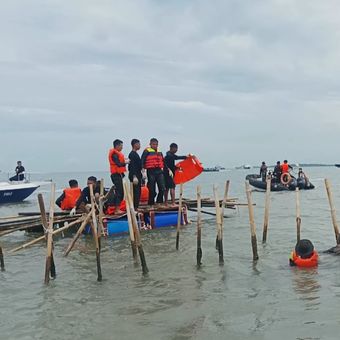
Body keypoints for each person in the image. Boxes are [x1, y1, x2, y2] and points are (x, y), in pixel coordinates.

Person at [141, 138, 166, 206]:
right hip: (151, 171)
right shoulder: (147, 151)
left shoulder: (160, 152)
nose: (155, 146)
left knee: (163, 188)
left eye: (156, 144)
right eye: (153, 144)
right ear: (150, 144)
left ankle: (159, 202)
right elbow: (142, 160)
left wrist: (168, 169)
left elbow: (163, 161)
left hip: (159, 171)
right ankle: (151, 203)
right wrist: (143, 171)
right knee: (151, 189)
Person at [108, 139, 129, 214]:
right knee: (119, 192)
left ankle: (117, 208)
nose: (122, 148)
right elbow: (118, 164)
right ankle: (116, 210)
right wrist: (126, 162)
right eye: (121, 146)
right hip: (115, 175)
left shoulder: (117, 153)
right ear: (117, 146)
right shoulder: (114, 154)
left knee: (121, 192)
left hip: (119, 175)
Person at [128, 139, 142, 209]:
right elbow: (132, 166)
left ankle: (136, 205)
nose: (140, 145)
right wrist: (134, 176)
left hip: (138, 174)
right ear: (135, 144)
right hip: (134, 175)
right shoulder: (132, 154)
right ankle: (135, 207)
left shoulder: (135, 154)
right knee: (136, 191)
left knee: (138, 191)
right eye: (139, 144)